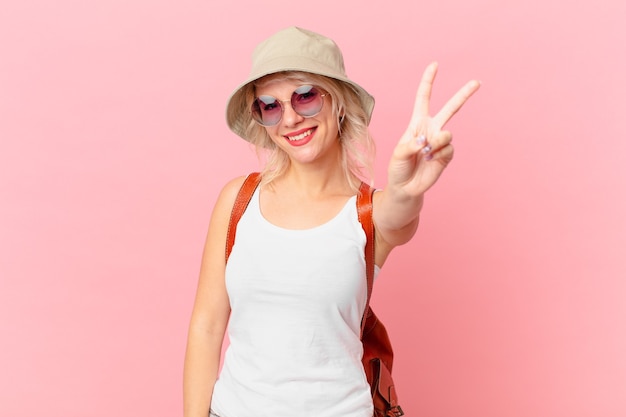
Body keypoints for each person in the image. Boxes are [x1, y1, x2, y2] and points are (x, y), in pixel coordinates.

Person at [183, 26, 480, 417]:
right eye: (270, 105)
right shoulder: (238, 201)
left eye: (305, 96)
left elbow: (400, 210)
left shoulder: (368, 214)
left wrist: (408, 188)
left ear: (338, 102)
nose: (290, 118)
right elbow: (206, 328)